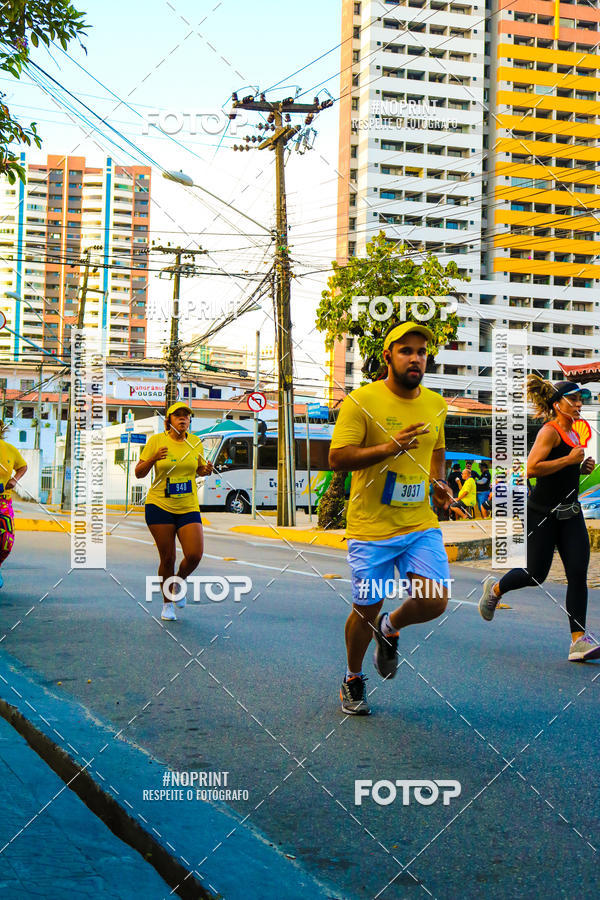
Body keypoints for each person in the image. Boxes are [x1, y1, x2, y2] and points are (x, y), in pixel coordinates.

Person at [329, 322, 453, 716]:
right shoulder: (361, 401)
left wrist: (438, 483)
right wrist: (389, 447)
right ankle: (352, 677)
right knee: (366, 606)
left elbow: (437, 449)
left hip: (418, 522)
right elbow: (337, 457)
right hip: (372, 525)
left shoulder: (436, 404)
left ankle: (391, 626)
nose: (416, 358)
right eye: (406, 351)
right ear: (388, 357)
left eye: (421, 351)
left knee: (435, 600)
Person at [479, 377, 600, 661]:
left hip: (570, 514)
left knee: (578, 574)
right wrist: (569, 461)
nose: (579, 403)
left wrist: (580, 469)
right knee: (536, 574)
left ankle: (578, 640)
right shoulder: (550, 431)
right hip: (542, 516)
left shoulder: (574, 433)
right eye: (573, 399)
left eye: (581, 398)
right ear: (558, 404)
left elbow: (559, 472)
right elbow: (531, 469)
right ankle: (495, 589)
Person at [135, 402, 214, 621]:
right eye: (177, 415)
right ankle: (167, 603)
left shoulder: (195, 442)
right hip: (159, 505)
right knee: (168, 557)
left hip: (188, 505)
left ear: (190, 420)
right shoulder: (156, 441)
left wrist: (204, 470)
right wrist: (153, 459)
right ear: (168, 420)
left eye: (186, 416)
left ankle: (177, 583)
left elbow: (197, 469)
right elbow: (139, 473)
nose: (182, 419)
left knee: (195, 555)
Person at [0, 422, 28, 589]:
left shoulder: (9, 449)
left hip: (3, 500)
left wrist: (14, 480)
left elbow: (23, 466)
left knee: (6, 541)